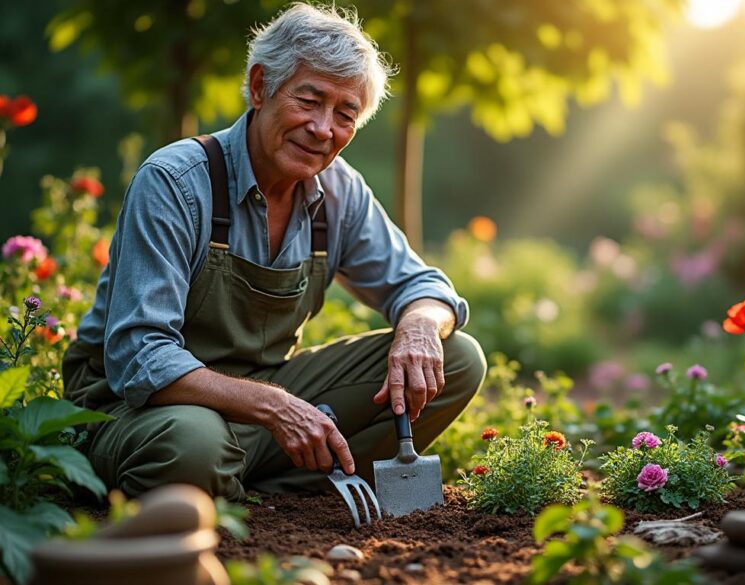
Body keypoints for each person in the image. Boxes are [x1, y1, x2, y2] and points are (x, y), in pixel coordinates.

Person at [62, 4, 486, 500]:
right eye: (309, 100)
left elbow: (422, 286)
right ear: (261, 86)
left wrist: (417, 327)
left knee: (457, 358)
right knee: (192, 443)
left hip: (264, 399)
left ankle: (263, 489)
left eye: (345, 114)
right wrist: (275, 407)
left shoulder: (339, 191)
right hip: (141, 410)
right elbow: (140, 357)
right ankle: (223, 475)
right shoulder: (175, 182)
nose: (324, 128)